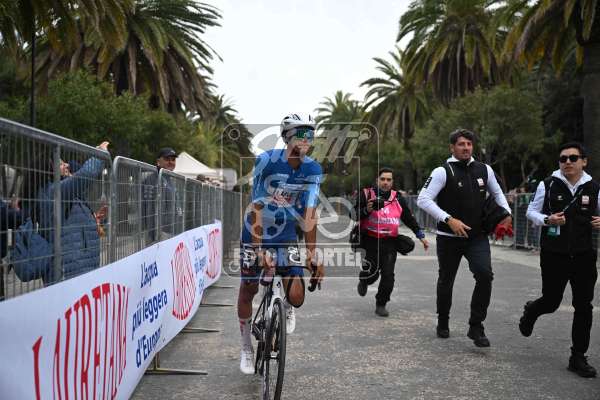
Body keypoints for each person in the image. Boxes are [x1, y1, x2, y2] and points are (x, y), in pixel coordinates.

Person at [237, 113, 324, 374]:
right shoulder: (267, 161)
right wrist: (258, 249)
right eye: (301, 133)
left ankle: (284, 307)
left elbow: (310, 213)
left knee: (296, 296)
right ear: (287, 136)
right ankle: (246, 347)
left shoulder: (313, 170)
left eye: (310, 134)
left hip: (285, 235)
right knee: (249, 288)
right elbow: (256, 207)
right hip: (256, 232)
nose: (307, 139)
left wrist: (312, 254)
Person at [417, 129, 511, 347]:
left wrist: (507, 214)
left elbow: (498, 193)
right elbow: (423, 199)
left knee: (485, 275)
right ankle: (443, 321)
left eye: (469, 144)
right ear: (452, 147)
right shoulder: (443, 171)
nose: (466, 147)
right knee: (446, 280)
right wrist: (449, 219)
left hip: (477, 237)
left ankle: (476, 326)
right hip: (448, 237)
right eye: (461, 144)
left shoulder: (484, 169)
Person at [520, 142, 599, 378]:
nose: (567, 162)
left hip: (584, 255)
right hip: (554, 254)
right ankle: (532, 311)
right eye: (563, 158)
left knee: (584, 306)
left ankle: (578, 357)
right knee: (551, 301)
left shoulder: (593, 187)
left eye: (573, 158)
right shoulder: (548, 184)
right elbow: (531, 212)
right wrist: (548, 220)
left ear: (584, 161)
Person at [16, 141, 109, 283]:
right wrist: (100, 154)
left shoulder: (61, 193)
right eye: (60, 164)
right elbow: (86, 174)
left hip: (80, 271)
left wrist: (93, 220)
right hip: (68, 275)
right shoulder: (53, 193)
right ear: (49, 170)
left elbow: (71, 222)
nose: (67, 165)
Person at [355, 167, 429, 317]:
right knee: (372, 273)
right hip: (370, 241)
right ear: (377, 180)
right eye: (382, 179)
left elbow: (408, 218)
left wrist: (420, 235)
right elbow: (353, 214)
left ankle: (381, 304)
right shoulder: (366, 194)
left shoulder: (398, 198)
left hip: (390, 242)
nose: (385, 182)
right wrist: (366, 210)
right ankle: (364, 280)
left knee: (388, 275)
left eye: (388, 180)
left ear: (392, 181)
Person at [142, 147, 181, 241]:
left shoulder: (170, 179)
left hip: (171, 231)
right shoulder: (153, 179)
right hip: (158, 233)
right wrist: (154, 234)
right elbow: (148, 208)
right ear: (158, 162)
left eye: (173, 159)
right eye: (167, 159)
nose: (171, 162)